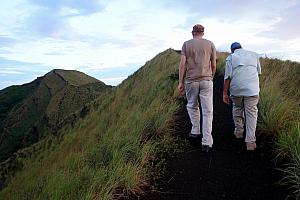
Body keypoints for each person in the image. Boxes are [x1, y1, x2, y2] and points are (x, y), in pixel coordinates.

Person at [178, 24, 217, 152]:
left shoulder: (186, 44)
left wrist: (180, 82)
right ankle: (206, 142)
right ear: (203, 33)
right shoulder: (210, 44)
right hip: (206, 79)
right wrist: (211, 76)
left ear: (192, 32)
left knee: (192, 105)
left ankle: (195, 130)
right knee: (207, 111)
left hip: (191, 80)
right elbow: (214, 64)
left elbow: (182, 64)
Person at [223, 42, 261, 150]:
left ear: (232, 50)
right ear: (241, 47)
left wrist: (224, 93)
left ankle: (239, 132)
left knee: (237, 107)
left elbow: (227, 77)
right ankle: (250, 142)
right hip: (252, 90)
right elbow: (258, 73)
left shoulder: (230, 58)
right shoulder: (254, 55)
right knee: (251, 114)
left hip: (236, 90)